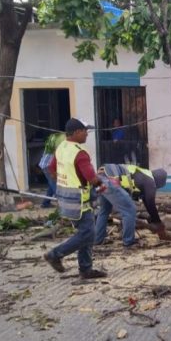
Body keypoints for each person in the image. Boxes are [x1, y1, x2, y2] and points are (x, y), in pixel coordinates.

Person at [43, 118, 107, 279]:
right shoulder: (80, 153)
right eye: (86, 131)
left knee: (87, 233)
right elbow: (91, 178)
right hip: (79, 201)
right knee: (87, 233)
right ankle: (55, 254)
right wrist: (101, 185)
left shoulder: (62, 148)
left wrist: (65, 183)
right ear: (77, 132)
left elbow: (51, 170)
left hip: (65, 199)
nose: (87, 134)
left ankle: (85, 269)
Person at [95, 164, 168, 246]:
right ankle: (128, 241)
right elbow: (150, 203)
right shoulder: (150, 182)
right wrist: (157, 221)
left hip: (100, 178)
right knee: (130, 210)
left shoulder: (143, 173)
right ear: (160, 181)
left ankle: (98, 239)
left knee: (104, 210)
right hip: (110, 180)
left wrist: (153, 218)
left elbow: (146, 201)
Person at [38, 131, 65, 208]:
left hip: (45, 165)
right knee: (54, 184)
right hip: (48, 166)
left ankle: (45, 203)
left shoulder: (51, 143)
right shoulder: (57, 146)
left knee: (51, 184)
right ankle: (62, 203)